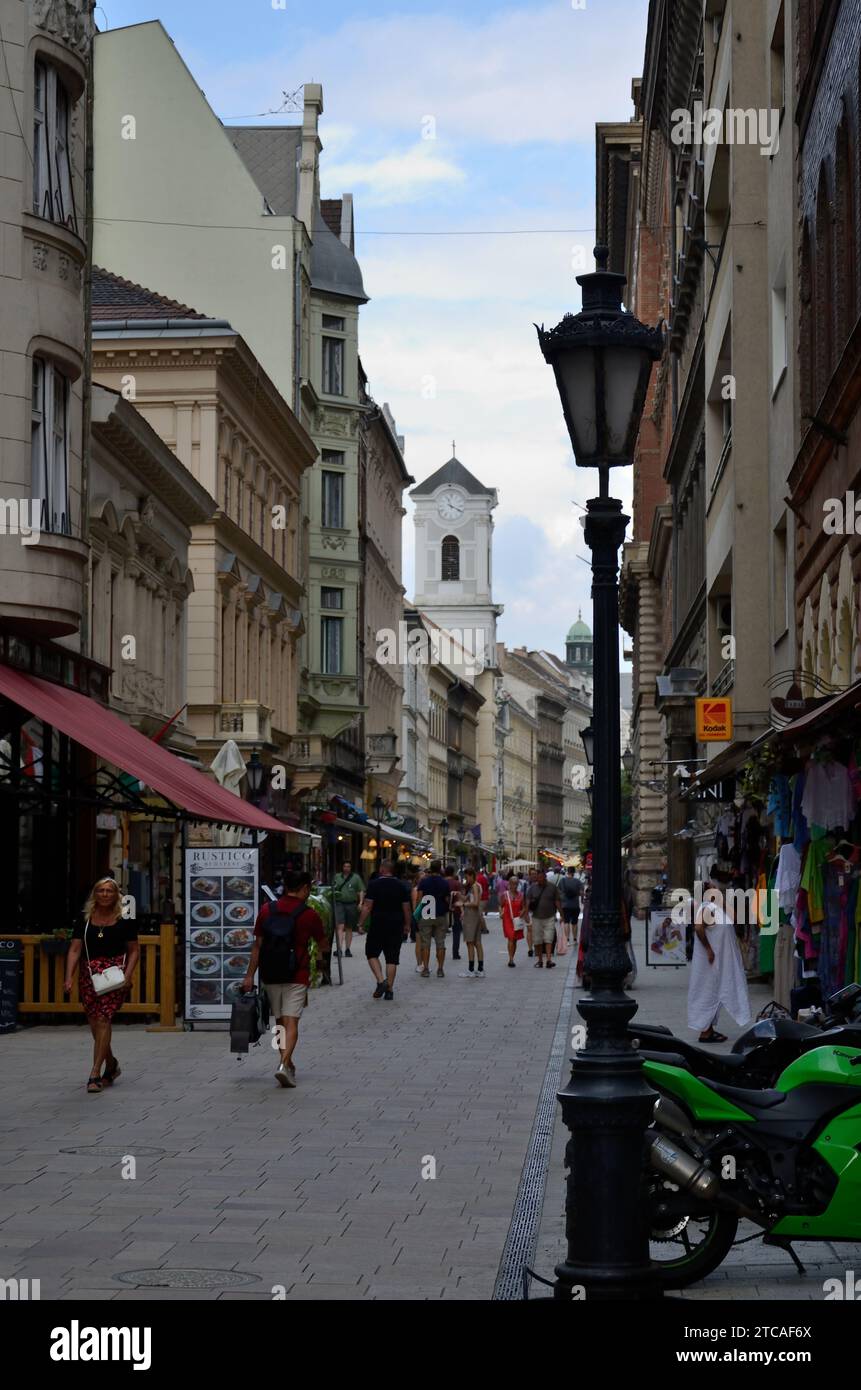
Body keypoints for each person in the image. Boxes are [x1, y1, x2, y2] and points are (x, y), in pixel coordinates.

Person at [243, 870, 326, 1087]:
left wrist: (250, 975)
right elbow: (323, 944)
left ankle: (286, 1063)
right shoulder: (309, 914)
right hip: (296, 973)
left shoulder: (266, 910)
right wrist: (318, 959)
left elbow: (257, 946)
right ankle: (284, 1063)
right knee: (292, 1021)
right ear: (305, 888)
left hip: (270, 973)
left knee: (279, 1022)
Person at [64, 877, 140, 1094]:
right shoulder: (85, 918)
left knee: (104, 1019)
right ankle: (112, 1063)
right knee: (94, 1023)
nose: (105, 894)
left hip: (114, 974)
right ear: (95, 894)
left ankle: (95, 1072)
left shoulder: (124, 917)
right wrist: (68, 976)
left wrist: (128, 975)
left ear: (116, 895)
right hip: (89, 974)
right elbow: (75, 949)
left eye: (109, 891)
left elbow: (134, 950)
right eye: (101, 891)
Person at [687, 865, 751, 1042]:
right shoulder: (707, 908)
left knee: (715, 991)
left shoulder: (718, 907)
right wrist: (708, 949)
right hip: (710, 960)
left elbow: (736, 917)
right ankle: (705, 1031)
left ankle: (708, 1030)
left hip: (718, 960)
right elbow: (699, 927)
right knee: (707, 991)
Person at [357, 859, 412, 1001]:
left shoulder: (374, 884)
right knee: (392, 958)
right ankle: (389, 990)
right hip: (396, 925)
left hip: (378, 924)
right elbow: (406, 908)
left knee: (371, 953)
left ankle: (381, 981)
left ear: (382, 869)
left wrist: (360, 923)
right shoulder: (401, 886)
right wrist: (407, 925)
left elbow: (367, 906)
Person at [415, 859, 451, 978]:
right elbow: (447, 900)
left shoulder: (424, 882)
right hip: (440, 914)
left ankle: (425, 969)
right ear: (440, 869)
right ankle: (440, 969)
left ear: (431, 868)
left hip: (426, 914)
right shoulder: (445, 883)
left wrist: (417, 913)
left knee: (425, 943)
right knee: (440, 943)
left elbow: (419, 899)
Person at [524, 869, 561, 969]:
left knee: (549, 938)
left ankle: (548, 960)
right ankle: (540, 960)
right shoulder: (532, 888)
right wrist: (526, 913)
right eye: (538, 878)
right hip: (536, 918)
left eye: (541, 878)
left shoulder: (552, 887)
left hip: (550, 917)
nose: (539, 880)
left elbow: (557, 901)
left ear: (545, 878)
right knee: (537, 940)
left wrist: (562, 914)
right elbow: (527, 901)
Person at [331, 860, 364, 957]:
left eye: (348, 866)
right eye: (345, 866)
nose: (346, 868)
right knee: (340, 926)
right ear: (342, 867)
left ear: (351, 867)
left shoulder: (356, 878)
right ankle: (339, 949)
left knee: (349, 927)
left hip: (351, 904)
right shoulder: (337, 877)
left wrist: (360, 903)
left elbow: (361, 890)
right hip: (339, 903)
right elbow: (332, 888)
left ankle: (348, 949)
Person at [460, 868, 486, 978]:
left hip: (471, 916)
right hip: (476, 916)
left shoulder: (474, 886)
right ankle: (480, 969)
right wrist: (459, 896)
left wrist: (464, 905)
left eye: (466, 877)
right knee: (477, 943)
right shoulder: (476, 886)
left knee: (470, 943)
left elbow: (475, 903)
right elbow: (468, 899)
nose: (466, 880)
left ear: (471, 875)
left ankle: (471, 969)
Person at [500, 874, 525, 966]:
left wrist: (522, 913)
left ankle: (512, 957)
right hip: (507, 918)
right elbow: (501, 905)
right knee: (511, 937)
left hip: (517, 919)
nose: (514, 886)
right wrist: (501, 913)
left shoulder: (521, 896)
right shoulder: (505, 895)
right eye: (513, 883)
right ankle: (510, 959)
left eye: (516, 884)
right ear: (509, 884)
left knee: (514, 940)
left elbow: (524, 907)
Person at [559, 867, 583, 947]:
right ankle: (575, 939)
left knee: (566, 922)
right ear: (574, 872)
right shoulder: (578, 881)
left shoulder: (562, 881)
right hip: (575, 905)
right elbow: (581, 893)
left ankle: (567, 940)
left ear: (567, 872)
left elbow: (559, 892)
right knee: (574, 923)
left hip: (565, 905)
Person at [446, 865, 463, 959]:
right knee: (456, 932)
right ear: (453, 873)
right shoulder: (457, 883)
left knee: (440, 933)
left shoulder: (442, 882)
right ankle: (455, 953)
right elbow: (460, 898)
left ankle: (440, 951)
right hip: (456, 910)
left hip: (443, 911)